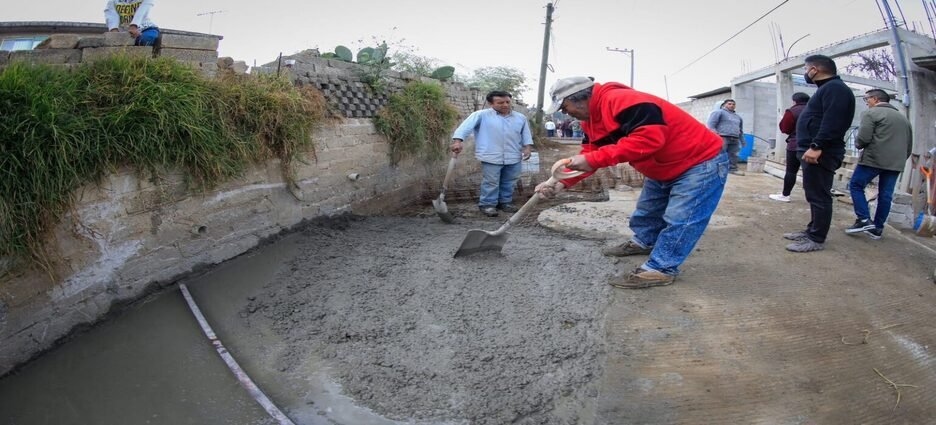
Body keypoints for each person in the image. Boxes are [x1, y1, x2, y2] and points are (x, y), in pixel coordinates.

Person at [536, 76, 728, 289]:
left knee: (683, 218)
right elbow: (591, 153)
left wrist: (592, 159)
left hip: (700, 161)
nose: (565, 112)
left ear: (579, 98)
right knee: (648, 210)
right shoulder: (590, 121)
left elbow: (649, 139)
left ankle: (661, 268)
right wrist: (562, 182)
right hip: (662, 165)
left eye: (565, 106)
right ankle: (644, 241)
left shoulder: (623, 100)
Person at [784, 54, 856, 252]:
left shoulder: (835, 89)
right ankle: (811, 231)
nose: (806, 73)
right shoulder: (826, 89)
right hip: (815, 150)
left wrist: (816, 146)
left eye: (807, 69)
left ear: (815, 69)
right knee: (813, 193)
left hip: (822, 152)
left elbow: (834, 121)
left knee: (819, 195)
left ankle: (816, 238)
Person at [451, 91, 533, 217]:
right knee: (491, 181)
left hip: (513, 155)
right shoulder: (481, 115)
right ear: (491, 103)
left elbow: (525, 134)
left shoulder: (520, 118)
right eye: (500, 103)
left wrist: (527, 148)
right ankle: (488, 204)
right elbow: (465, 127)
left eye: (507, 102)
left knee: (510, 181)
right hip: (491, 155)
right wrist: (458, 141)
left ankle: (505, 202)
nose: (505, 105)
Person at [844, 89, 912, 239]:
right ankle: (877, 228)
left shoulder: (872, 113)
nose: (867, 102)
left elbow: (863, 138)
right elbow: (909, 146)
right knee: (886, 195)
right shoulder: (904, 119)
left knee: (855, 185)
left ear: (875, 99)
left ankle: (863, 219)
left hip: (874, 159)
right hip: (895, 162)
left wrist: (858, 144)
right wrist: (898, 160)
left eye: (867, 99)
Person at [769, 92, 811, 202]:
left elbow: (785, 129)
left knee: (791, 171)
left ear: (794, 101)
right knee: (810, 172)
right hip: (812, 147)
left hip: (795, 145)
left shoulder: (792, 111)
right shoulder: (816, 110)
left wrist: (783, 120)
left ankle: (785, 195)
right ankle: (812, 198)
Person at [707, 98, 746, 176]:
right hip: (722, 137)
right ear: (724, 105)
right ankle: (716, 170)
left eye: (733, 104)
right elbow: (711, 125)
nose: (731, 105)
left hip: (735, 138)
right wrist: (716, 135)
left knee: (734, 155)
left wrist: (742, 140)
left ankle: (732, 169)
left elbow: (740, 130)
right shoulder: (719, 112)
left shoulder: (738, 117)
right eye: (729, 104)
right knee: (720, 154)